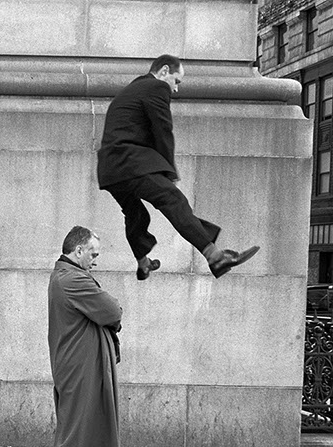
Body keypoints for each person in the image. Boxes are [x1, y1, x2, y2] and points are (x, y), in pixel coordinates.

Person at [97, 54, 259, 281]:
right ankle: (215, 256)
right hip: (130, 163)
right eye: (176, 81)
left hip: (111, 170)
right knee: (174, 201)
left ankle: (143, 263)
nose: (175, 89)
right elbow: (163, 128)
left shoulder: (132, 89)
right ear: (164, 71)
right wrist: (169, 171)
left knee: (136, 215)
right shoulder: (156, 86)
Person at [41, 226, 122, 447]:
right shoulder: (72, 279)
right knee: (76, 435)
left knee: (90, 431)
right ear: (78, 251)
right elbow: (112, 311)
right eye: (93, 254)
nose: (95, 260)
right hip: (80, 370)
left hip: (82, 367)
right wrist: (112, 314)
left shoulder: (67, 276)